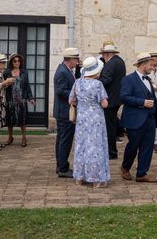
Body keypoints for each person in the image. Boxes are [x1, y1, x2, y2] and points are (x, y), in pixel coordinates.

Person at [69, 57, 109, 188]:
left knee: (82, 146)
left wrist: (83, 103)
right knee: (95, 147)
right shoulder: (98, 85)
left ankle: (80, 177)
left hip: (82, 119)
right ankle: (95, 179)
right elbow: (104, 104)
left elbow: (71, 100)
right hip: (95, 119)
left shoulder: (78, 83)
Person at [120, 52, 157, 183]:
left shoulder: (148, 79)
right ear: (143, 64)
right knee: (133, 145)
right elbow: (124, 97)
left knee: (148, 146)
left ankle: (142, 173)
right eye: (151, 65)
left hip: (150, 119)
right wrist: (142, 102)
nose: (153, 67)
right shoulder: (128, 79)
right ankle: (125, 167)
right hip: (134, 119)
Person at [53, 47, 80, 178]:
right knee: (65, 140)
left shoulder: (66, 70)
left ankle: (60, 165)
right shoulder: (63, 72)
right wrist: (74, 97)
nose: (78, 62)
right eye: (76, 59)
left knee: (61, 139)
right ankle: (63, 168)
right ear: (71, 59)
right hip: (64, 112)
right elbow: (61, 91)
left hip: (62, 111)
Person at [98, 43, 126, 160]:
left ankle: (111, 152)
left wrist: (96, 80)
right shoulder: (120, 61)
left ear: (107, 54)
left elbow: (106, 80)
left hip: (110, 100)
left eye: (103, 54)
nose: (103, 57)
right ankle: (111, 151)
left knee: (109, 127)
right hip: (116, 98)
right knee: (112, 125)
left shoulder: (110, 64)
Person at [4, 53, 35, 147]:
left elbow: (27, 86)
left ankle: (24, 137)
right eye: (15, 61)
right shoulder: (7, 72)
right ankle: (10, 137)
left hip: (22, 99)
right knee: (10, 119)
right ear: (11, 62)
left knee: (23, 119)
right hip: (10, 99)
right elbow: (3, 85)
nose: (17, 62)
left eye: (19, 61)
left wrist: (31, 98)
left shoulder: (24, 72)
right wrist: (6, 84)